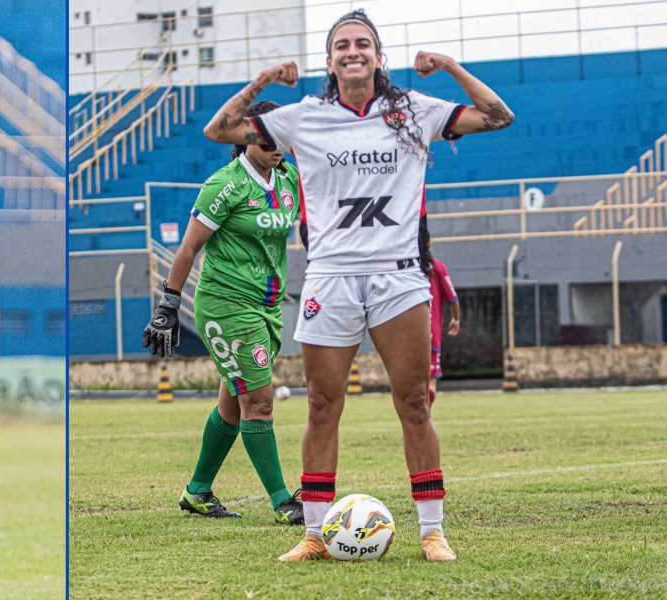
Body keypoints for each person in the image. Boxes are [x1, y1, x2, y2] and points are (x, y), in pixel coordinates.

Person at [201, 9, 513, 562]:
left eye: (363, 43)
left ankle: (432, 532)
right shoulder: (305, 117)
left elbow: (497, 116)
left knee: (413, 402)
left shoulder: (414, 110)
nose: (353, 51)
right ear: (329, 60)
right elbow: (220, 129)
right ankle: (316, 535)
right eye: (342, 44)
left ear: (378, 55)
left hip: (398, 278)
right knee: (322, 405)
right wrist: (268, 79)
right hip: (329, 278)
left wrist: (449, 66)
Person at [141, 101, 304, 525]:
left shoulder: (288, 178)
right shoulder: (225, 185)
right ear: (246, 137)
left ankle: (196, 492)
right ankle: (284, 502)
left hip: (265, 306)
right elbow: (189, 248)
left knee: (233, 406)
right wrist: (169, 304)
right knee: (259, 401)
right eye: (268, 138)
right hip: (226, 305)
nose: (277, 147)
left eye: (282, 138)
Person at [423, 239, 459, 408]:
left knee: (414, 381)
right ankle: (425, 419)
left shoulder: (407, 268)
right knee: (430, 381)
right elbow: (452, 298)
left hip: (407, 334)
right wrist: (455, 319)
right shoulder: (437, 267)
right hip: (432, 332)